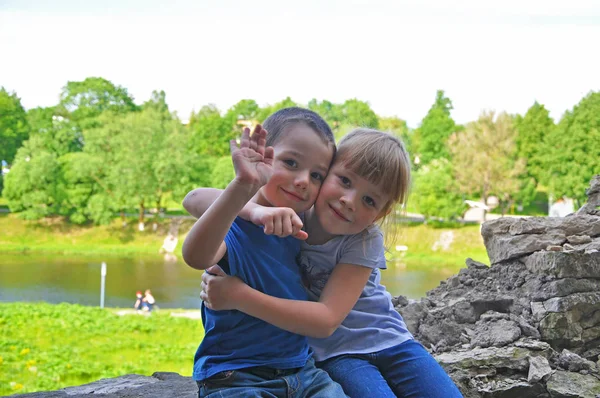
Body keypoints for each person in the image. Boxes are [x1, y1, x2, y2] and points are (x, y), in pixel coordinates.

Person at [189, 128, 463, 397]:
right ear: (325, 173)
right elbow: (195, 198)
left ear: (382, 213)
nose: (349, 201)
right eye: (344, 181)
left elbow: (326, 320)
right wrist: (254, 210)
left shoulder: (364, 239)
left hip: (393, 342)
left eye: (369, 200)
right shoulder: (291, 214)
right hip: (336, 354)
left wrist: (238, 296)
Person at [181, 108, 346, 397]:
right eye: (291, 162)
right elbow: (196, 253)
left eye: (317, 175)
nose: (304, 180)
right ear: (263, 157)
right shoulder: (232, 222)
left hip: (303, 373)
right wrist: (244, 187)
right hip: (236, 376)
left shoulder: (302, 227)